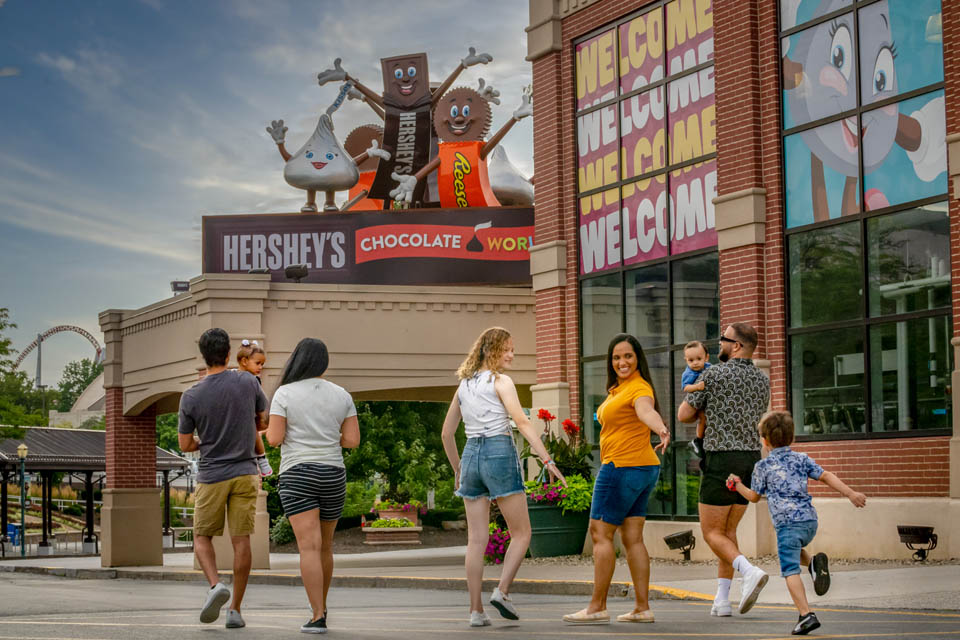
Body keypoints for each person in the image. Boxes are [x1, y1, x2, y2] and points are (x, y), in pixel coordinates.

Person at [441, 327, 566, 627]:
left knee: (476, 541)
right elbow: (521, 421)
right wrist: (546, 459)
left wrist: (458, 468)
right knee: (522, 533)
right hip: (498, 450)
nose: (511, 355)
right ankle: (503, 591)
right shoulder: (501, 381)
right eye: (508, 349)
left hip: (471, 454)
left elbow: (446, 434)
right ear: (492, 350)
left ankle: (476, 611)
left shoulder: (464, 385)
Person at [563, 333, 670, 625]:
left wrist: (660, 428)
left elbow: (646, 410)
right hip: (644, 468)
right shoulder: (619, 389)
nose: (622, 362)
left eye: (628, 356)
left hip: (621, 467)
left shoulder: (638, 388)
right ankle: (642, 607)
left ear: (638, 359)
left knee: (600, 533)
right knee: (632, 537)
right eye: (616, 357)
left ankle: (597, 606)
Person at [728, 410, 867, 635]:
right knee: (793, 549)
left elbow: (753, 497)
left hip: (786, 525)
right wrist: (850, 493)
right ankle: (813, 564)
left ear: (764, 441)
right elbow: (826, 475)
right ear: (792, 438)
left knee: (789, 570)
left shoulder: (762, 467)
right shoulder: (801, 459)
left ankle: (806, 614)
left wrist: (737, 485)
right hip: (809, 522)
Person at [266, 337, 360, 635]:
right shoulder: (342, 395)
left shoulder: (284, 393)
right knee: (326, 546)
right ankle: (321, 605)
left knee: (308, 546)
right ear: (324, 362)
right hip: (333, 472)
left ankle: (317, 615)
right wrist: (329, 435)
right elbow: (352, 441)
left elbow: (274, 439)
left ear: (298, 360)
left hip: (298, 473)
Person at [677, 322, 770, 616]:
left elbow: (683, 415)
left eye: (724, 340)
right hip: (750, 459)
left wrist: (703, 410)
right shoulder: (762, 380)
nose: (720, 345)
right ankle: (722, 599)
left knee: (711, 533)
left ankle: (749, 571)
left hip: (720, 458)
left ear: (737, 346)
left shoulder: (713, 374)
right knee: (728, 532)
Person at [178, 328, 267, 629]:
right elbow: (262, 419)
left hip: (212, 474)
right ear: (229, 355)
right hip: (245, 473)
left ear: (203, 357)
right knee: (241, 541)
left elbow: (185, 444)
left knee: (202, 537)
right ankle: (235, 610)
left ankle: (216, 585)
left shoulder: (191, 395)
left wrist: (209, 441)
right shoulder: (247, 381)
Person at [236, 339, 273, 477]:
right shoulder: (253, 380)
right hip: (247, 417)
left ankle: (262, 459)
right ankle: (262, 458)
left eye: (262, 364)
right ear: (244, 361)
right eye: (258, 363)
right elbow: (263, 407)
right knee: (255, 432)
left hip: (238, 417)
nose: (261, 367)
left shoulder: (231, 375)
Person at [681, 340, 711, 459]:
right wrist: (697, 387)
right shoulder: (688, 373)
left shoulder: (710, 368)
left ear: (706, 358)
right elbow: (686, 387)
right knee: (702, 418)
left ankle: (702, 439)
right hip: (696, 402)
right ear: (686, 360)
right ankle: (698, 440)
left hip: (707, 401)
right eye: (691, 360)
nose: (695, 363)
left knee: (706, 419)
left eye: (699, 359)